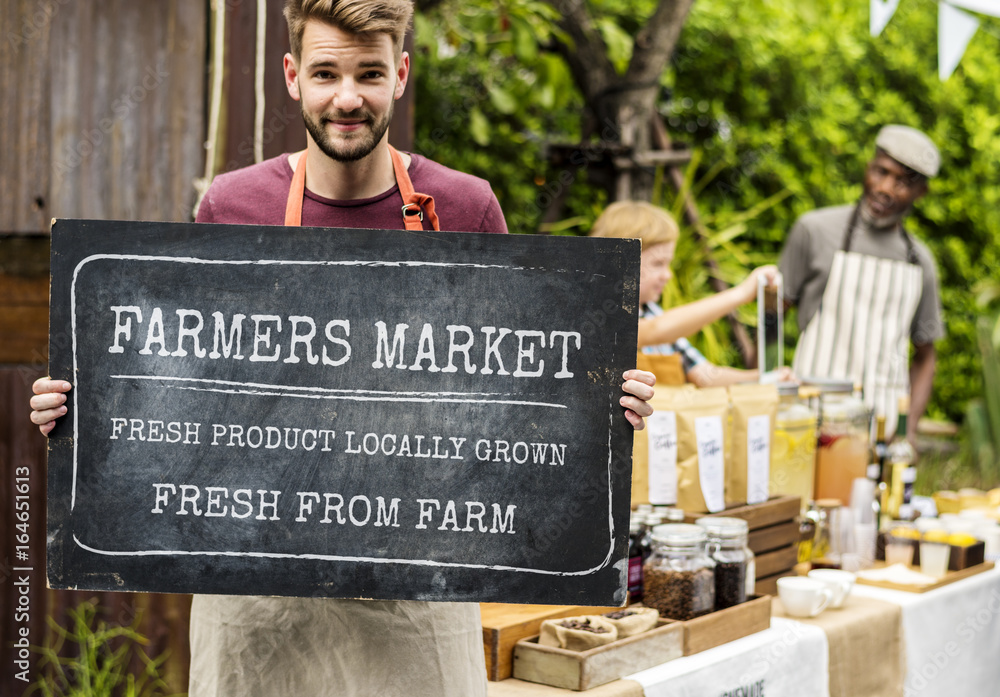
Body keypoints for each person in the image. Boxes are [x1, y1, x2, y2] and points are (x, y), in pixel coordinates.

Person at [29, 2, 655, 696]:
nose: (348, 97)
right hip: (257, 603)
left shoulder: (465, 206)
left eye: (369, 73)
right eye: (326, 73)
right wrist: (86, 406)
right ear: (293, 76)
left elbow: (515, 401)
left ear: (401, 75)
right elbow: (184, 391)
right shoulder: (231, 206)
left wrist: (599, 403)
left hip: (418, 597)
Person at [778, 124, 944, 444]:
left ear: (921, 192)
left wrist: (907, 432)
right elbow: (771, 320)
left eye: (902, 182)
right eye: (881, 172)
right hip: (807, 426)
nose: (886, 188)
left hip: (880, 437)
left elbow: (926, 354)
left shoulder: (920, 262)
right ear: (868, 168)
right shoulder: (814, 230)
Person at [590, 200, 792, 387]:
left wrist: (768, 378)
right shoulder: (598, 314)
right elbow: (653, 331)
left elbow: (704, 375)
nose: (667, 275)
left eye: (668, 264)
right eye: (658, 264)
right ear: (617, 262)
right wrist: (740, 294)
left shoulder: (653, 312)